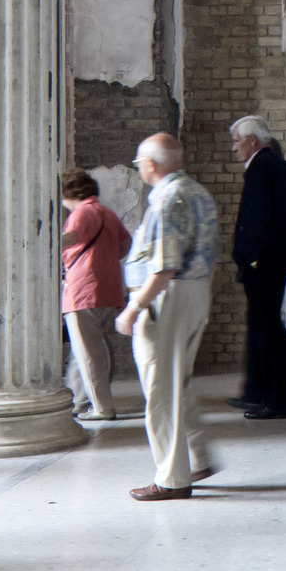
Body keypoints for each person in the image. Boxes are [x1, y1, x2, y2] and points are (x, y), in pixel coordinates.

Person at [118, 133, 218, 501]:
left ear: (151, 164)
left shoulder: (165, 201)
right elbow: (211, 257)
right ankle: (196, 457)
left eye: (140, 162)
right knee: (177, 381)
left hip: (166, 296)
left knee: (160, 391)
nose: (139, 167)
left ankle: (172, 478)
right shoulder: (198, 193)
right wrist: (202, 304)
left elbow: (163, 268)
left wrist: (134, 308)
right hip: (193, 293)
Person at [229, 115, 286, 417]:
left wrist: (251, 256)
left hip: (264, 261)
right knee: (266, 325)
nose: (234, 148)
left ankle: (277, 399)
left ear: (252, 140)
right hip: (277, 258)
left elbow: (256, 218)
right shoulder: (281, 167)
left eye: (237, 141)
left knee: (266, 328)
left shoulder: (261, 168)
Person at [60, 169, 131, 421]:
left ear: (70, 193)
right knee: (86, 352)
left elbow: (70, 237)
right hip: (108, 289)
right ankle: (79, 401)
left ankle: (102, 407)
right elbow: (125, 244)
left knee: (89, 355)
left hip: (83, 290)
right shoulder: (107, 213)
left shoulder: (82, 213)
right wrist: (106, 260)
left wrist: (45, 242)